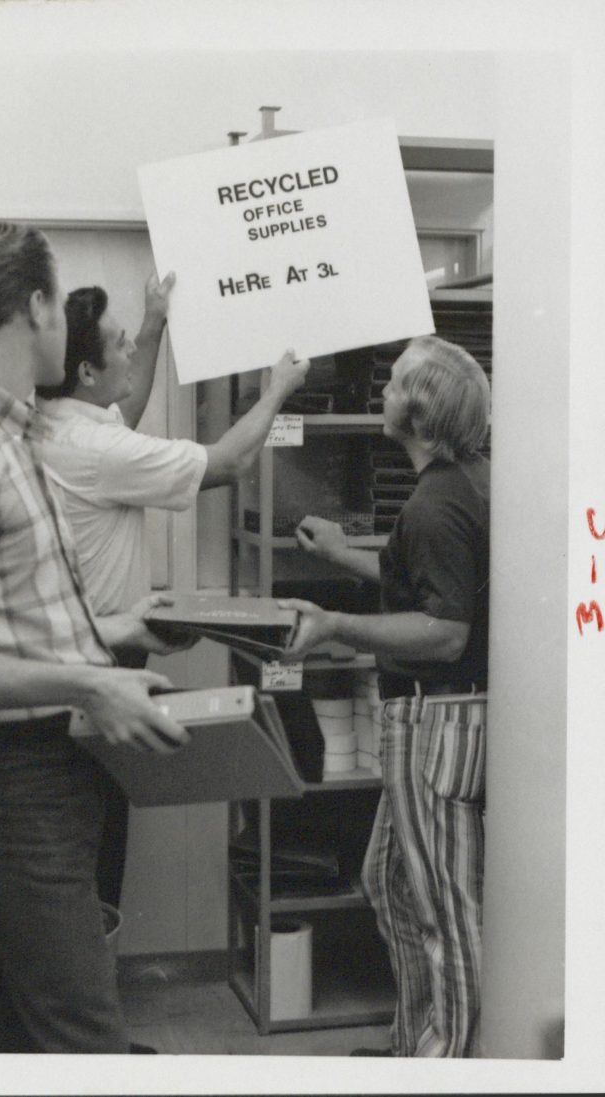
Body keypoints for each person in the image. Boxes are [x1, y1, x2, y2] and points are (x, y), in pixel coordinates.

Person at [0, 221, 194, 1054]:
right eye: (61, 301)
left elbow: (13, 616)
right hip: (16, 782)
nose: (68, 319)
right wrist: (87, 683)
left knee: (29, 1028)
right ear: (34, 308)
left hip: (57, 767)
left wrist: (114, 632)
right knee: (86, 1034)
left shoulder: (12, 438)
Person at [35, 276, 310, 907]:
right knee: (94, 853)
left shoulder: (55, 425)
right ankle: (84, 995)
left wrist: (154, 320)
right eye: (121, 342)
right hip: (99, 666)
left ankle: (74, 990)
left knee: (78, 850)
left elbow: (117, 425)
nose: (130, 347)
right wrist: (276, 392)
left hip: (63, 666)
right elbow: (232, 461)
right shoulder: (97, 448)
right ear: (84, 370)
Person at [281, 334, 490, 1058]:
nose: (382, 392)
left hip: (437, 722)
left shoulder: (435, 506)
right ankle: (417, 1044)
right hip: (441, 719)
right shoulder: (466, 482)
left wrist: (337, 622)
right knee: (392, 884)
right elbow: (422, 574)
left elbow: (443, 630)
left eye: (395, 382)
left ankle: (452, 1057)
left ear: (422, 410)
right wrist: (342, 550)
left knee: (447, 913)